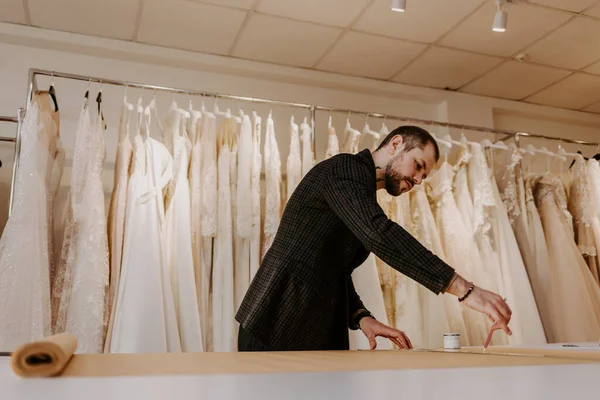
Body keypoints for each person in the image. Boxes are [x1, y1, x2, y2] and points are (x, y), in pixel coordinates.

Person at [235, 125, 512, 351]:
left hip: (310, 328)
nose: (417, 180)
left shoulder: (361, 193)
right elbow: (379, 234)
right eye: (417, 166)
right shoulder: (343, 169)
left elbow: (333, 269)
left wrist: (361, 317)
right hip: (276, 323)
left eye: (423, 176)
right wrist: (463, 288)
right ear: (395, 144)